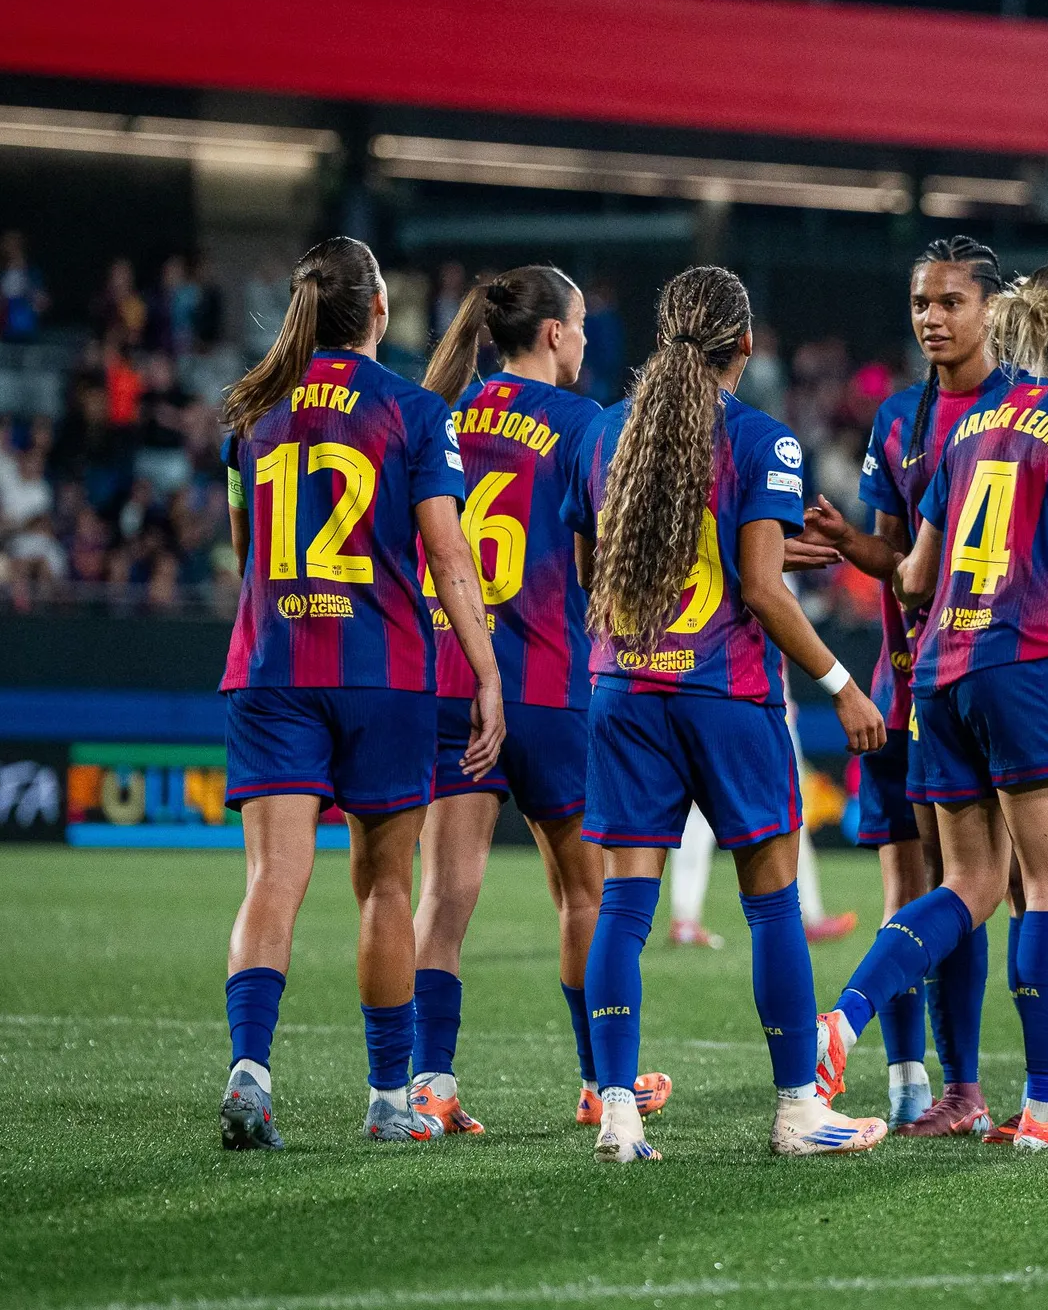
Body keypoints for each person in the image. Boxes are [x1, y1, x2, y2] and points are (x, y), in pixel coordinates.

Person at [813, 259, 1048, 1153]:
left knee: (969, 884)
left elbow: (913, 578)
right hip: (1032, 668)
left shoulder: (973, 426)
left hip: (940, 673)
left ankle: (844, 1017)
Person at [563, 265, 889, 1162]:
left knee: (623, 908)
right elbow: (761, 589)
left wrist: (758, 547)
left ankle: (618, 1112)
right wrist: (843, 684)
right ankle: (797, 1113)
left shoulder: (603, 432)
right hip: (725, 696)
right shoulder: (760, 438)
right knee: (773, 905)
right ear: (744, 345)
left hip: (625, 690)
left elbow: (593, 571)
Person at [212, 237, 505, 1150]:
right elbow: (449, 557)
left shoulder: (252, 411)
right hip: (383, 672)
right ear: (380, 308)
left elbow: (245, 550)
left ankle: (250, 1074)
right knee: (384, 885)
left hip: (275, 666)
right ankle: (386, 1099)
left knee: (272, 879)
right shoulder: (414, 411)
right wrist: (486, 673)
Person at [409, 264, 673, 1136]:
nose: (588, 339)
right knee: (584, 896)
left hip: (453, 674)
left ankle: (430, 1083)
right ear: (555, 332)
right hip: (550, 683)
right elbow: (612, 557)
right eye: (583, 324)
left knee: (444, 895)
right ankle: (601, 1083)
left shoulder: (443, 413)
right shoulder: (587, 423)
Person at [798, 235, 1013, 1132]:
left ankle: (948, 1087)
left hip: (968, 677)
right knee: (957, 887)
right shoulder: (899, 419)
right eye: (922, 301)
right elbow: (901, 564)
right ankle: (919, 1085)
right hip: (924, 684)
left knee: (962, 888)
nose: (932, 317)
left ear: (992, 310)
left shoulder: (1019, 408)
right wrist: (852, 543)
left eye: (951, 301)